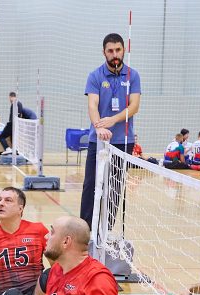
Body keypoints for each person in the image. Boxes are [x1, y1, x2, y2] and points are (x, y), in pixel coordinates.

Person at [79, 33, 141, 230]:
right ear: (104, 52)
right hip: (98, 141)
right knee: (90, 185)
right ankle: (85, 230)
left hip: (123, 141)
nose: (115, 54)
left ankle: (106, 230)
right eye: (110, 51)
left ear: (124, 50)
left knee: (114, 187)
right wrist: (99, 127)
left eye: (118, 50)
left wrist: (112, 120)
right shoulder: (95, 76)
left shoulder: (133, 76)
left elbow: (134, 106)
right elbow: (92, 105)